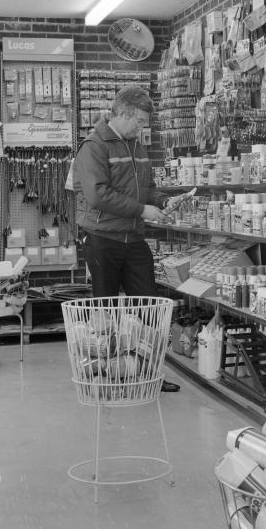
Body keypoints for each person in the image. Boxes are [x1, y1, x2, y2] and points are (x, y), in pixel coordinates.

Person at [74, 85, 180, 392]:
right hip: (102, 237)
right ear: (121, 113)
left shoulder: (136, 146)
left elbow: (146, 188)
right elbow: (97, 195)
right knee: (104, 313)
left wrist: (161, 201)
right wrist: (142, 210)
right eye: (139, 122)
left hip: (133, 239)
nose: (142, 128)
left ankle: (148, 374)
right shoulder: (94, 146)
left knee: (148, 307)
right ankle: (105, 377)